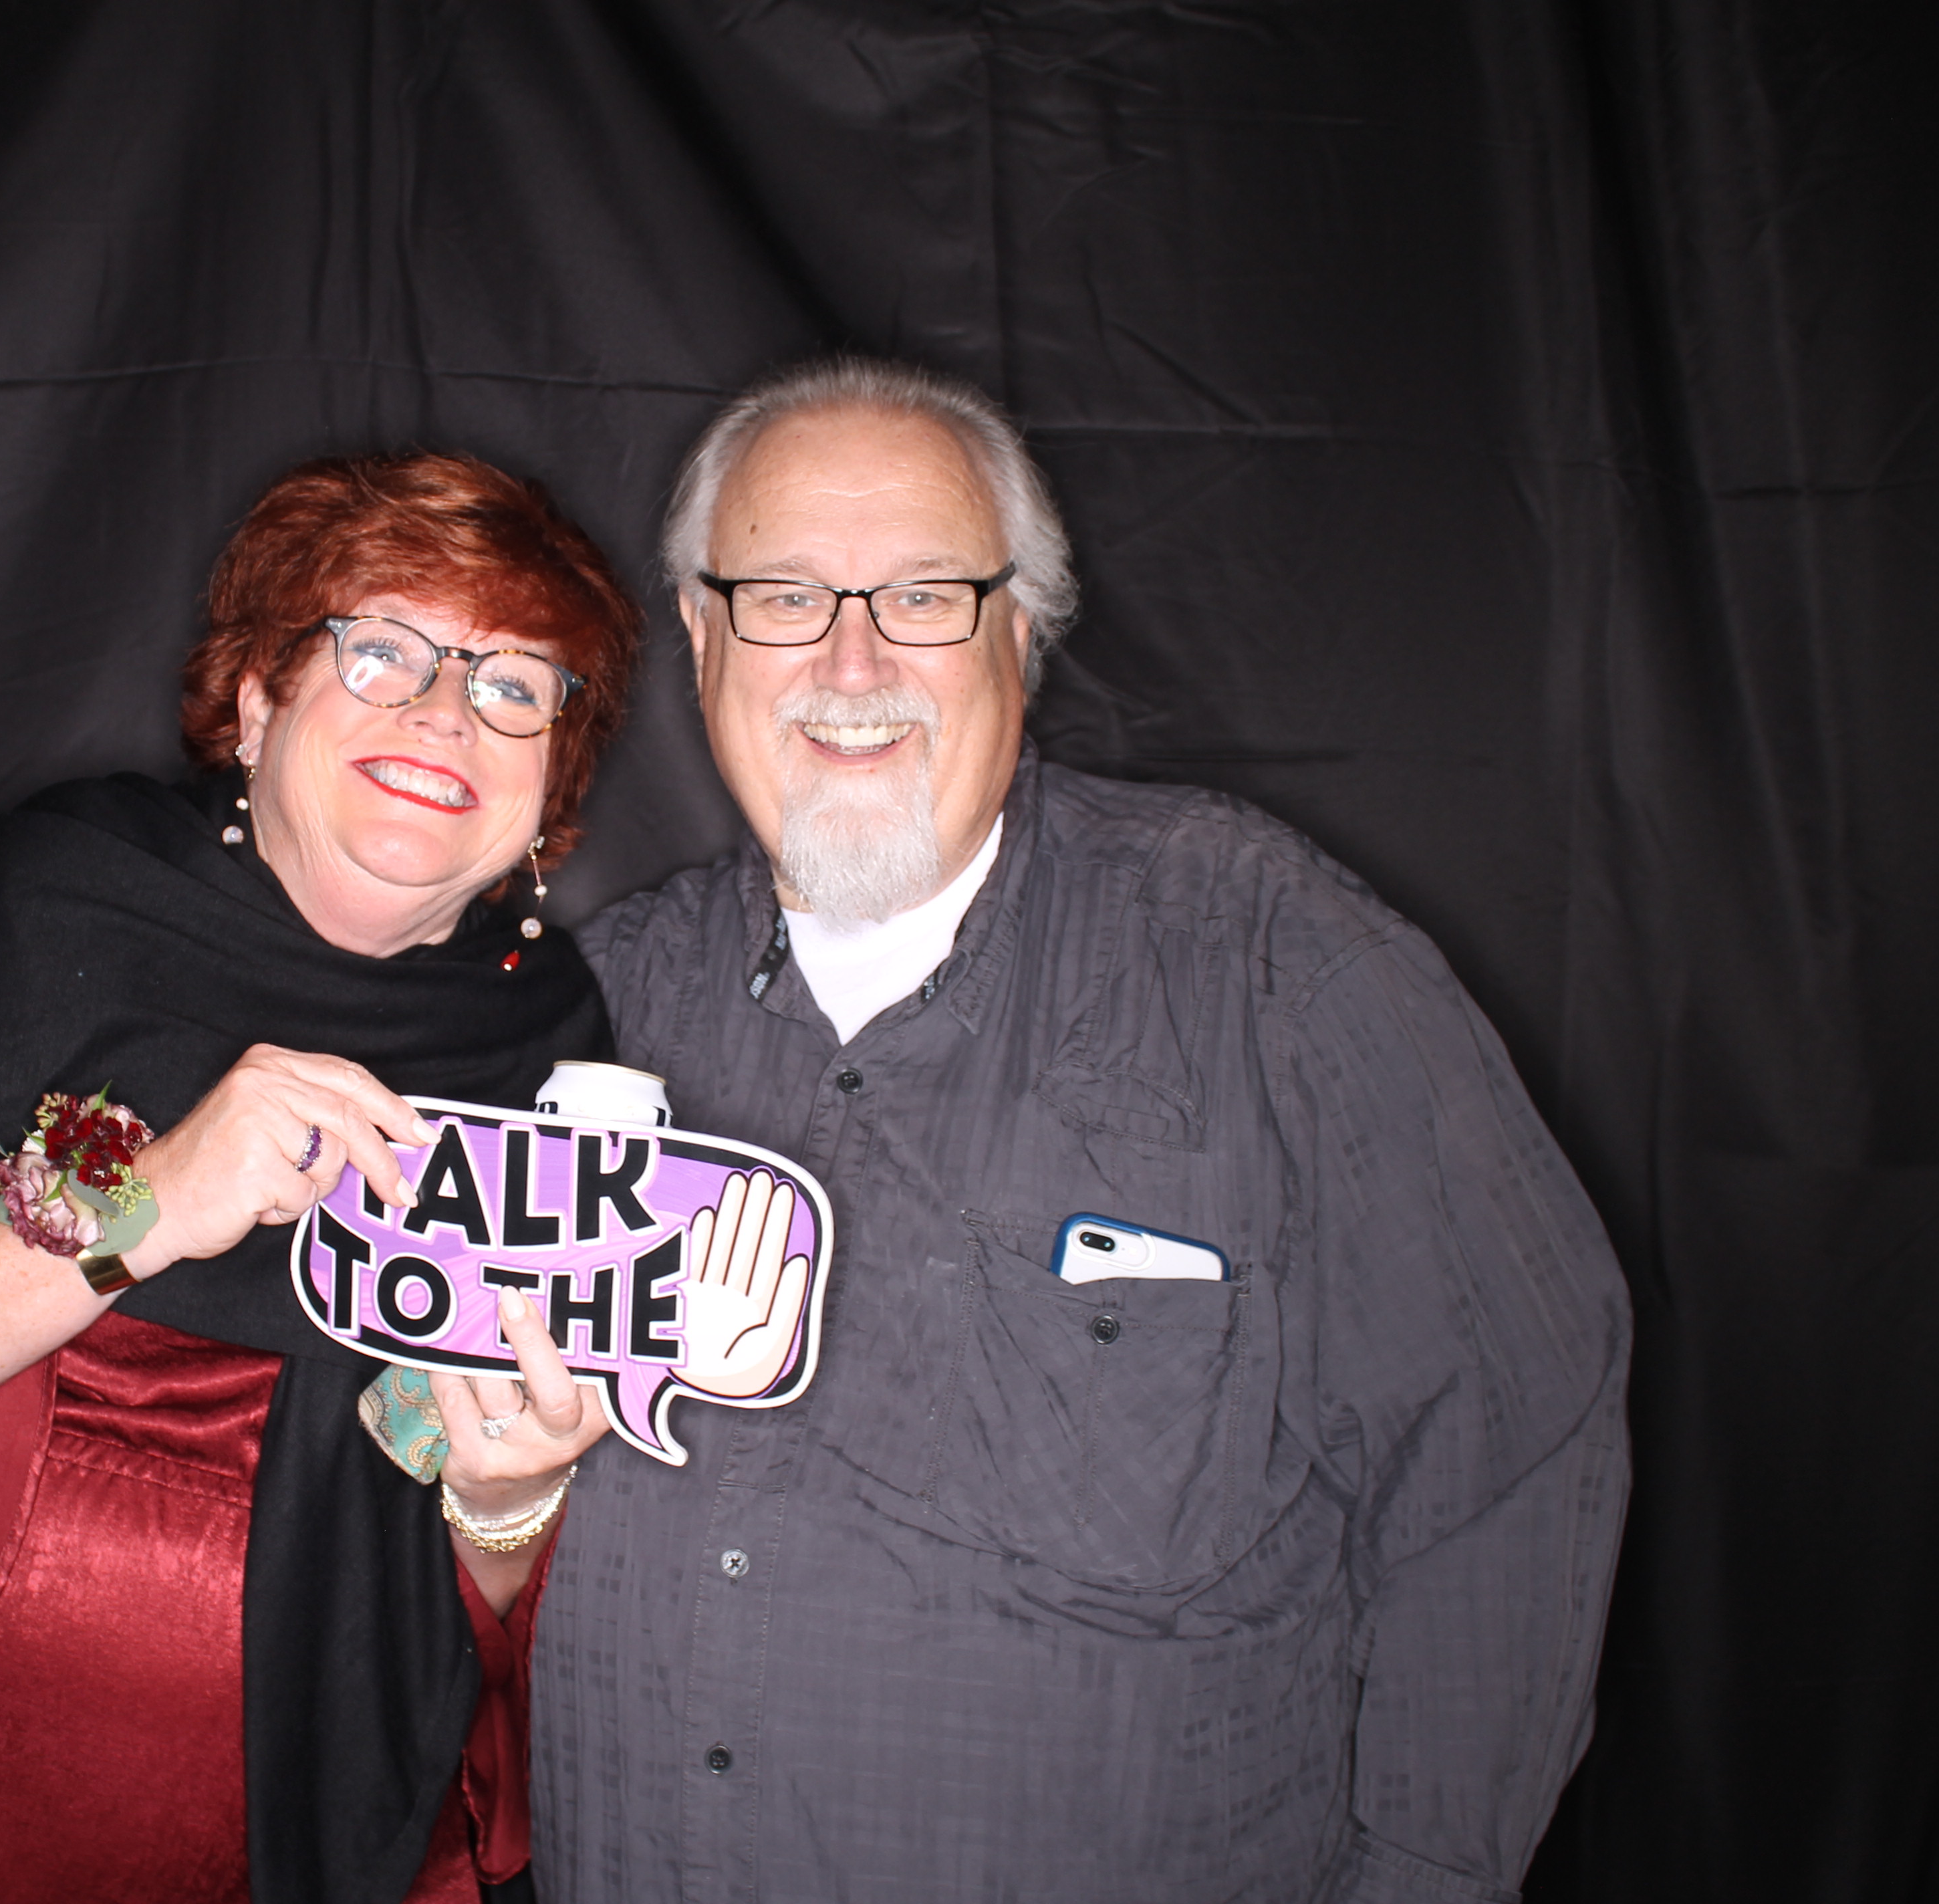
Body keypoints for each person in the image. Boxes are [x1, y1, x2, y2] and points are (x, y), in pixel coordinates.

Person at [533, 359, 1632, 1903]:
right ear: (706, 637)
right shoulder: (586, 1012)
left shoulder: (1267, 961)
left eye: (923, 596)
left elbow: (1510, 1445)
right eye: (784, 595)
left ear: (1019, 637)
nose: (852, 660)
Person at [0, 451, 634, 1904]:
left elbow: (486, 1573)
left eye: (513, 684)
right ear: (256, 699)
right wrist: (147, 1197)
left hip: (320, 1849)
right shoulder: (55, 903)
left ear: (549, 791)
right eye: (383, 648)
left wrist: (510, 1502)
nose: (442, 710)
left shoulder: (560, 1056)